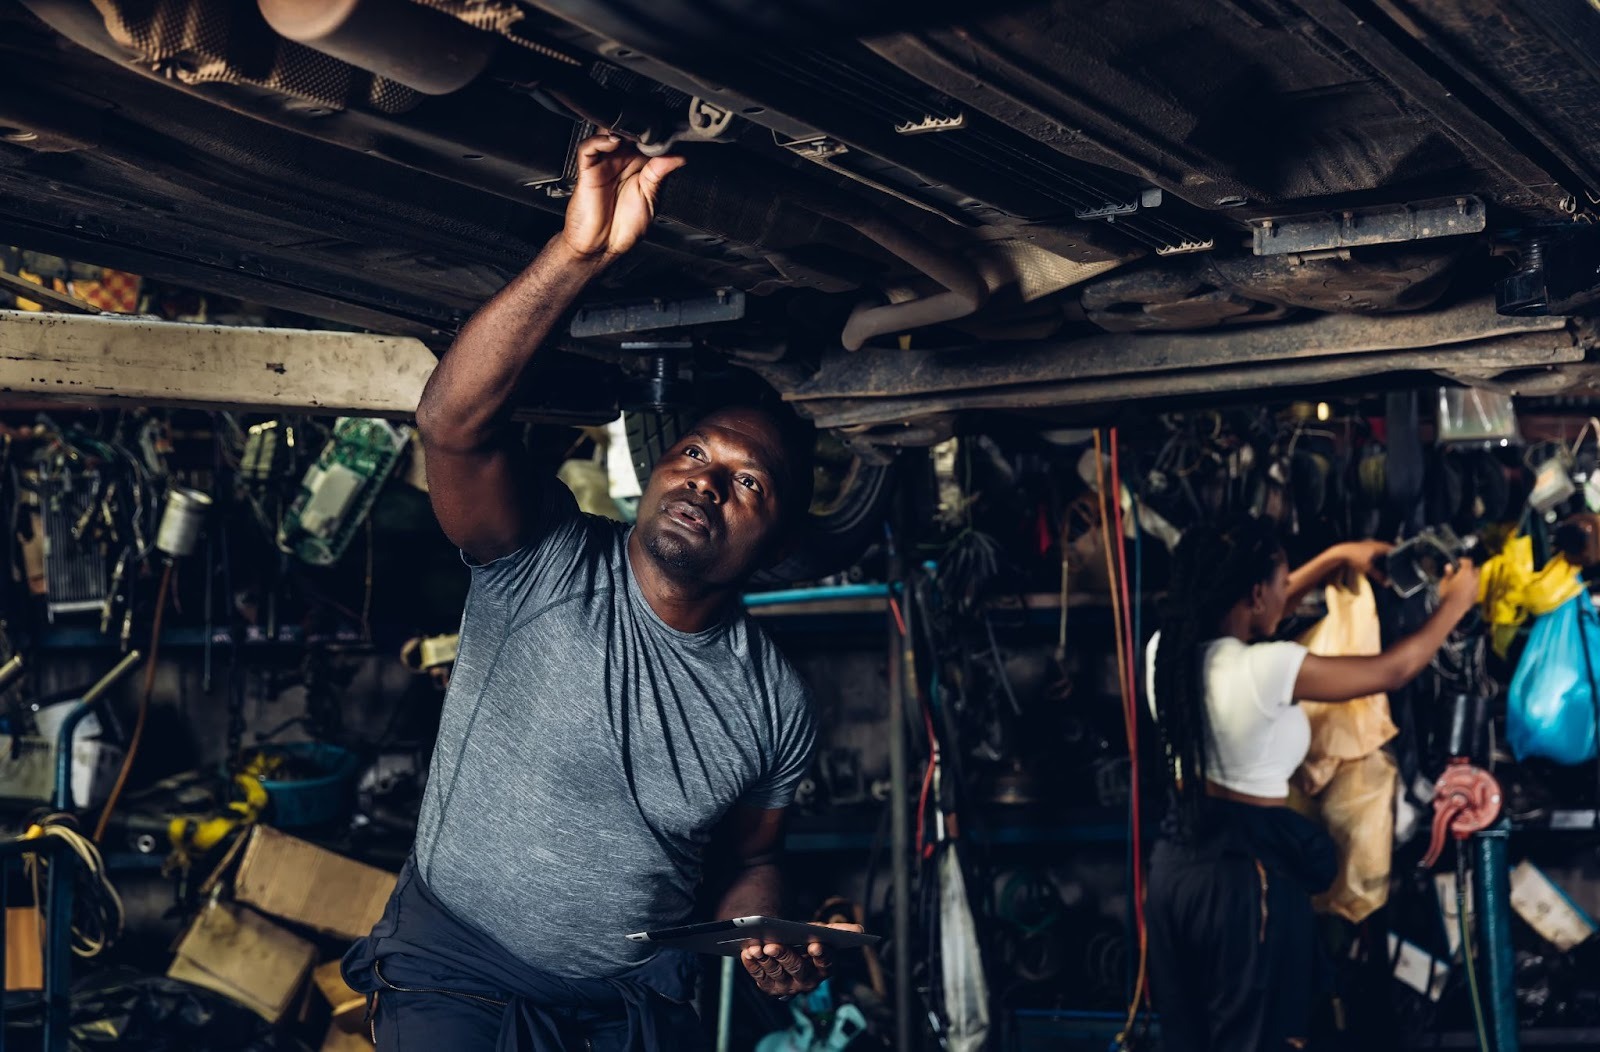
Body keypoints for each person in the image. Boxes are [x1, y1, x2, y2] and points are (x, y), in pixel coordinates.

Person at [343, 134, 858, 1051]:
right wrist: (577, 255)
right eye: (693, 452)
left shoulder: (774, 703)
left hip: (629, 1013)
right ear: (657, 470)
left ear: (777, 541)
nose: (705, 480)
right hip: (460, 979)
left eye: (746, 480)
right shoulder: (543, 558)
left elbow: (751, 860)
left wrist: (764, 930)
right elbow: (451, 425)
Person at [1143, 521, 1481, 1052]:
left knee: (1187, 1040)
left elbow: (1246, 603)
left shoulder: (1164, 655)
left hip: (1176, 865)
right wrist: (1456, 603)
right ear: (1256, 594)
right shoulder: (1267, 668)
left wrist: (1337, 557)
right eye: (1281, 584)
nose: (1288, 592)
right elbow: (1393, 670)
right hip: (1244, 876)